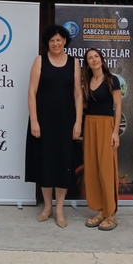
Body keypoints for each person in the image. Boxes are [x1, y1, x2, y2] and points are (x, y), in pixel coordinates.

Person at [25, 25, 83, 229]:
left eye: (59, 40)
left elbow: (78, 94)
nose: (56, 43)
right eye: (52, 41)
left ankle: (60, 209)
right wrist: (34, 120)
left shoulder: (74, 63)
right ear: (47, 43)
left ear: (65, 41)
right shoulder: (40, 61)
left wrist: (78, 122)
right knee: (45, 163)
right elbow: (31, 92)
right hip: (43, 122)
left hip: (66, 122)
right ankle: (47, 207)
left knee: (63, 164)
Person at [82, 48, 122, 231]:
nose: (93, 60)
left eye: (96, 56)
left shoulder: (112, 80)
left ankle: (111, 213)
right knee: (92, 168)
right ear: (88, 63)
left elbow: (118, 106)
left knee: (106, 168)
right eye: (90, 58)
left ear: (101, 59)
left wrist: (115, 132)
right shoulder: (86, 81)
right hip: (90, 125)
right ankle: (100, 210)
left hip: (106, 126)